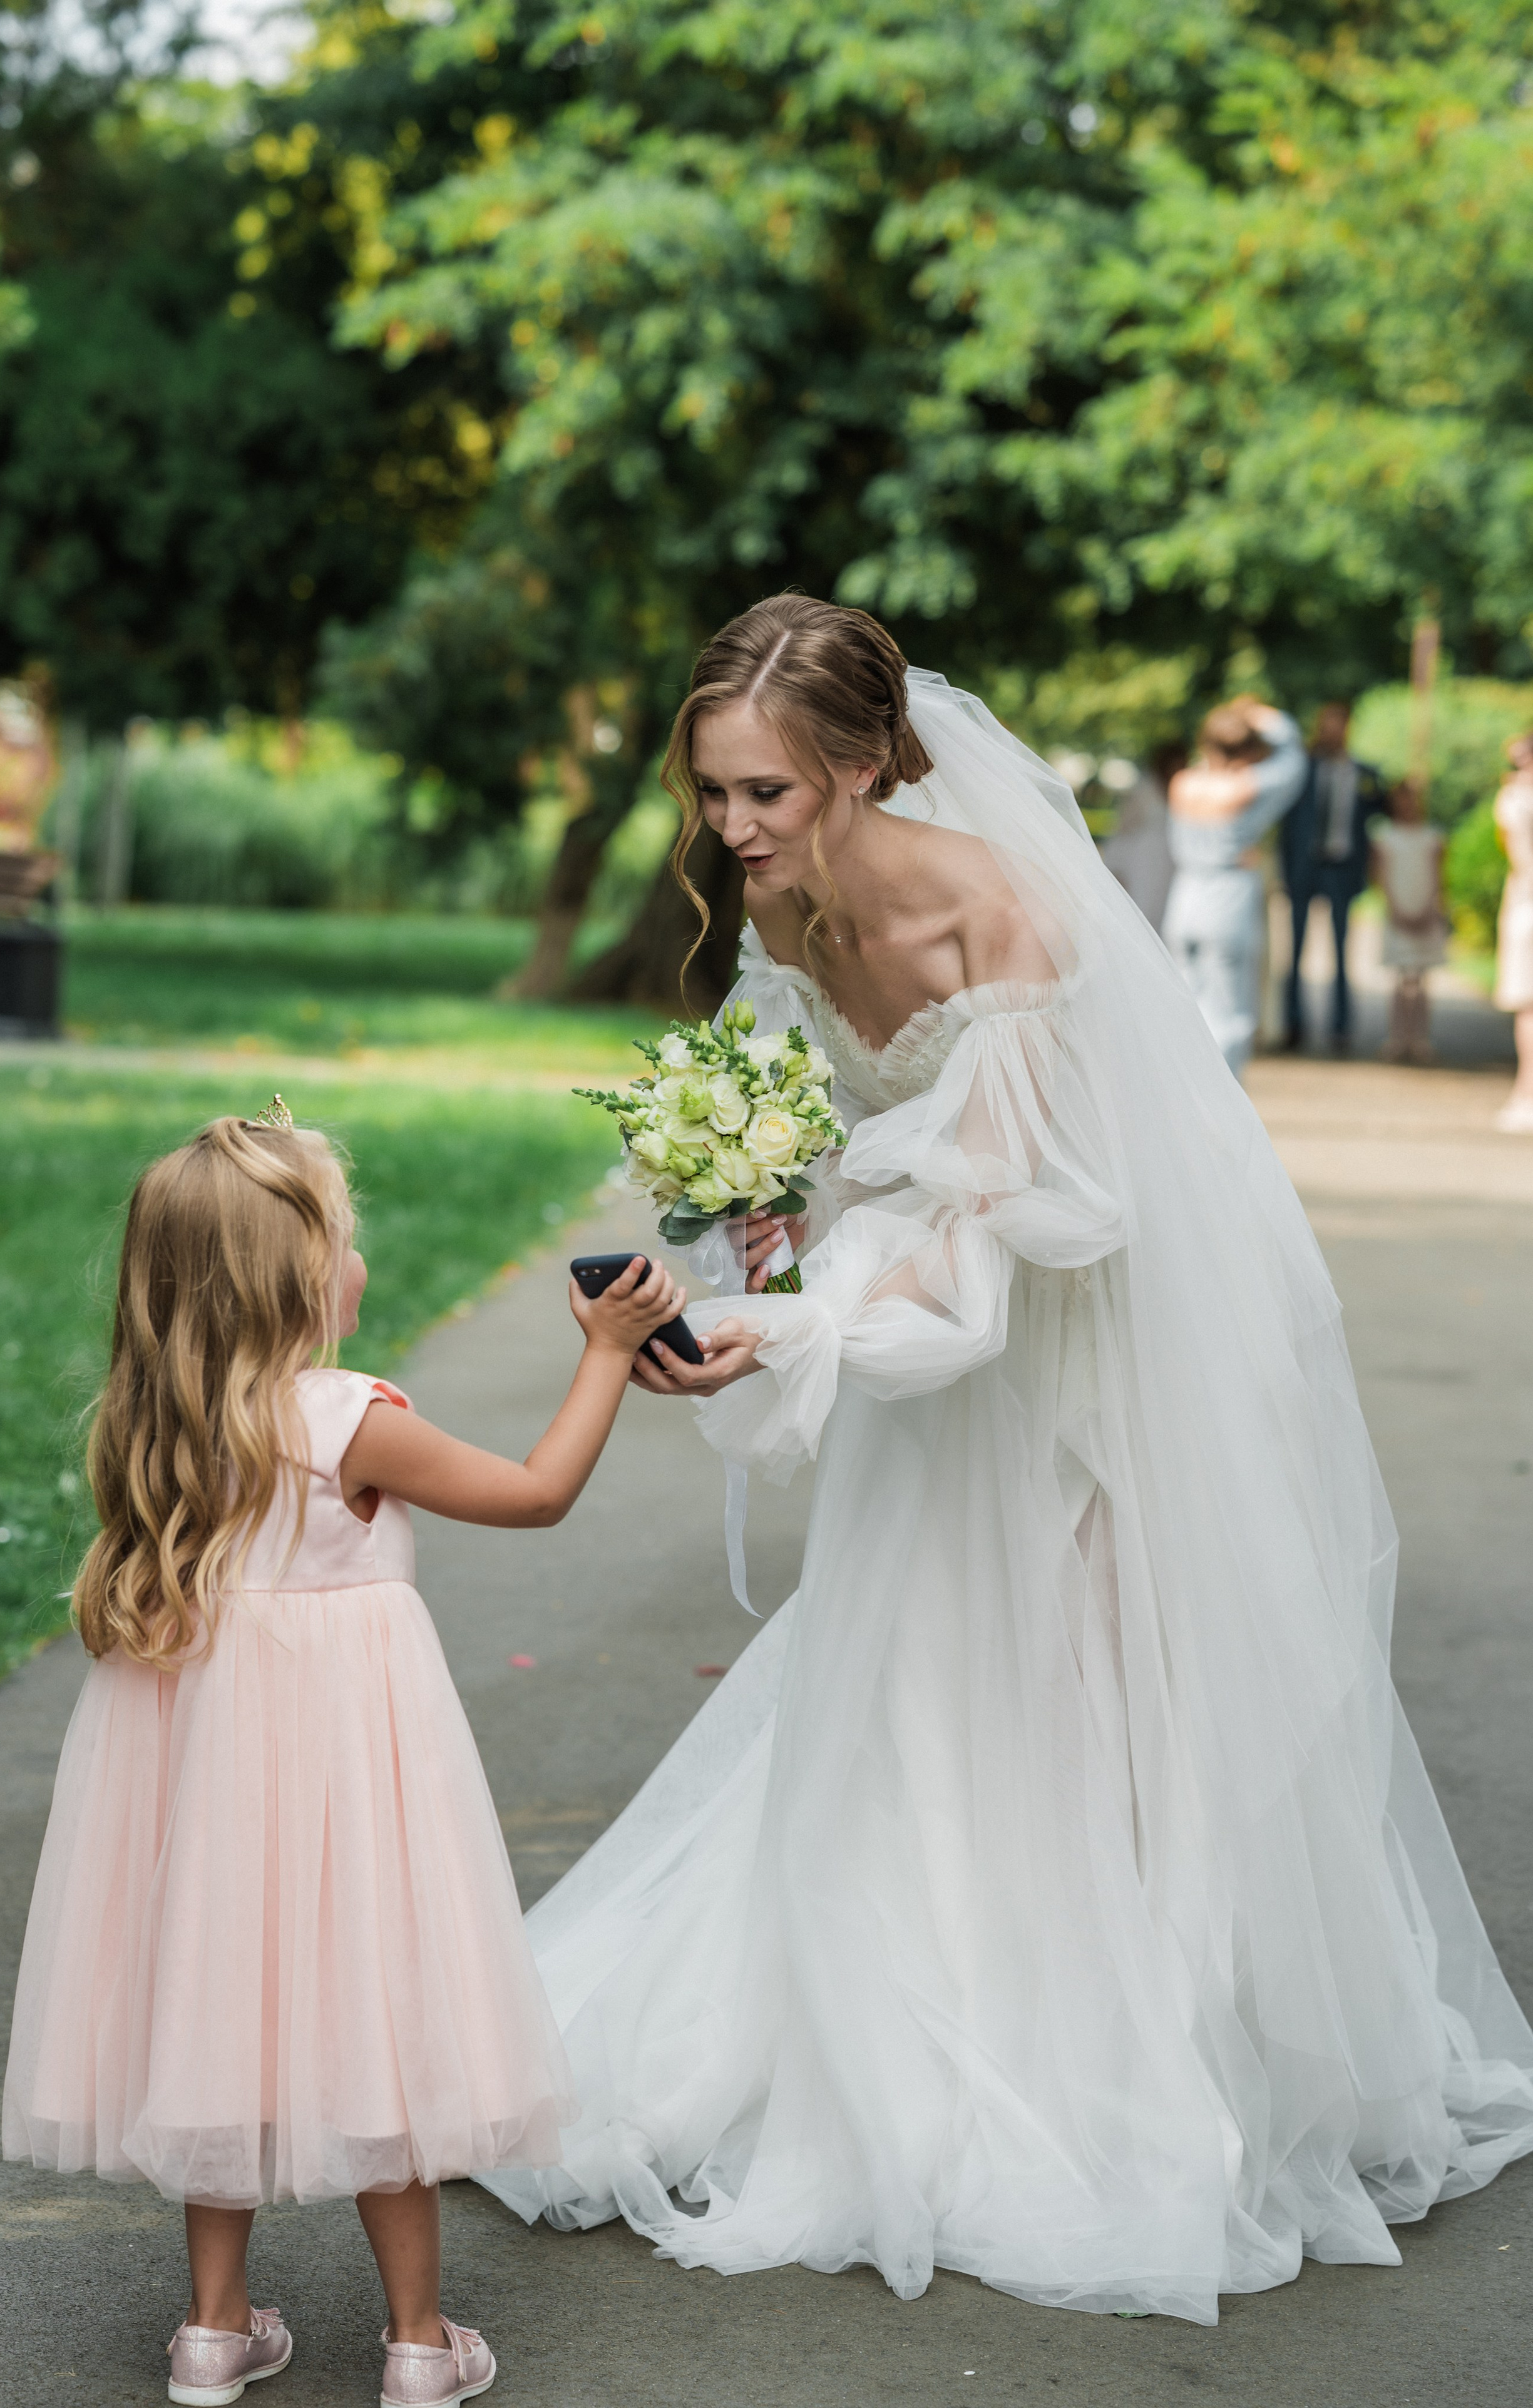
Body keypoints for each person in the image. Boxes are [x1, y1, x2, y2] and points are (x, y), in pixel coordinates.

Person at [482, 596, 1533, 2326]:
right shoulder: (769, 901)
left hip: (1075, 1344)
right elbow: (828, 1164)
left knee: (1094, 1693)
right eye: (715, 793)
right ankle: (879, 2009)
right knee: (905, 1670)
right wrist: (753, 1251)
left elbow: (1011, 1238)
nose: (735, 831)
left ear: (863, 764)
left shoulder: (1003, 915)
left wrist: (811, 1330)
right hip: (920, 1322)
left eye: (768, 793)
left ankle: (1115, 2054)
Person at [3, 1103, 684, 2408]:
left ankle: (210, 2332)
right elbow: (535, 1492)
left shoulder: (158, 1420)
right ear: (300, 1271)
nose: (360, 1260)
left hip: (206, 1794)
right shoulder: (346, 1418)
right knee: (383, 2018)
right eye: (347, 1235)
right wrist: (606, 1348)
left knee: (218, 2012)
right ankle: (419, 2344)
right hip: (345, 1783)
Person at [1161, 697, 1306, 1076]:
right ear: (1246, 752)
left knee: (1186, 1008)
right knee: (1230, 1015)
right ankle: (1224, 1103)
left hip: (1185, 899)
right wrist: (1263, 715)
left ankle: (1186, 1094)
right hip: (1227, 901)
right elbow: (1294, 759)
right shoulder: (1246, 789)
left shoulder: (1184, 782)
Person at [1280, 702, 1387, 1053]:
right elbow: (1288, 824)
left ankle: (1341, 1027)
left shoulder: (1365, 774)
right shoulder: (1302, 770)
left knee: (1343, 949)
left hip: (1342, 869)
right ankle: (1294, 1023)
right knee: (1295, 949)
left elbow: (1386, 812)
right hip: (1305, 868)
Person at [1370, 778, 1447, 1064]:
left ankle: (1421, 1037)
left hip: (1426, 912)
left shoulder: (1432, 836)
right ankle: (1398, 1036)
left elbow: (1439, 877)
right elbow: (1382, 877)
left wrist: (1430, 908)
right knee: (1400, 978)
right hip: (1398, 912)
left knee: (1423, 980)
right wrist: (1397, 910)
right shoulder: (1385, 835)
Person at [1099, 740, 1185, 931]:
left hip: (1172, 863)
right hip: (1144, 863)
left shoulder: (1184, 790)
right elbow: (1122, 829)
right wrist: (1115, 867)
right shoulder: (1144, 790)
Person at [1492, 732, 1533, 1134]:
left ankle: (1527, 1093)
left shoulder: (1515, 802)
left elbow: (1521, 859)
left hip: (1527, 908)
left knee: (1528, 1007)